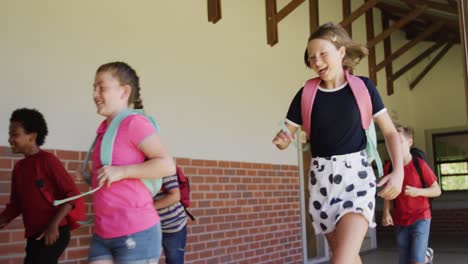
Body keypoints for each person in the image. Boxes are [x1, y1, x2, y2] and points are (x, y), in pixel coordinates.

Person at [272, 22, 404, 264]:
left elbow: (391, 133)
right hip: (321, 183)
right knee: (347, 257)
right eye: (311, 57)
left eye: (323, 54)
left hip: (356, 180)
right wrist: (282, 141)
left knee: (340, 261)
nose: (317, 61)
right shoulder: (305, 95)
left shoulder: (363, 88)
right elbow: (286, 134)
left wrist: (398, 172)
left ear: (341, 52)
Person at [88, 61, 176, 264]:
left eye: (101, 88)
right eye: (93, 88)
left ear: (124, 91)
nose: (95, 94)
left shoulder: (134, 123)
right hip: (103, 232)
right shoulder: (104, 130)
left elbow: (167, 165)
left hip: (136, 232)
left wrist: (122, 171)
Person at [0, 108, 82, 264]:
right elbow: (15, 205)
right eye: (10, 135)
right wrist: (3, 219)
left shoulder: (48, 161)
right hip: (34, 234)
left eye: (15, 134)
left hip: (54, 231)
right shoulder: (19, 168)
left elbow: (71, 196)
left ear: (32, 136)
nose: (10, 139)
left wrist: (53, 225)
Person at [382, 125, 441, 264]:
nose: (395, 145)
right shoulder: (389, 167)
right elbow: (387, 192)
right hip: (400, 218)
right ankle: (426, 254)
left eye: (400, 141)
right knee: (404, 260)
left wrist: (417, 191)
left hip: (421, 216)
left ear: (409, 142)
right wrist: (386, 212)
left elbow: (437, 190)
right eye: (393, 141)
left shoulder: (419, 164)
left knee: (416, 261)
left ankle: (424, 255)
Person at [154, 173, 188, 264]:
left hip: (173, 225)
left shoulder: (162, 164)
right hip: (150, 225)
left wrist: (147, 208)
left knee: (174, 261)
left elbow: (175, 196)